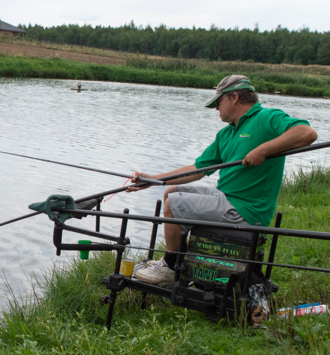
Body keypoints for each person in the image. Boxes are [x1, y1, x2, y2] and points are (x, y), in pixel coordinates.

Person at [127, 75, 318, 284]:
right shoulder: (226, 134)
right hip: (227, 198)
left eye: (218, 103)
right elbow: (197, 169)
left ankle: (171, 268)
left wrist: (263, 150)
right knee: (170, 192)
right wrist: (153, 179)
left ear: (234, 97)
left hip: (245, 209)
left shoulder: (266, 118)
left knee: (174, 204)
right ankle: (179, 260)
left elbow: (306, 133)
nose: (216, 109)